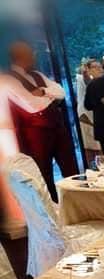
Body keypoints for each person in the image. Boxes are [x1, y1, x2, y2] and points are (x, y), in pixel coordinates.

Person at [5, 40, 78, 202]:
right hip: (35, 134)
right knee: (44, 173)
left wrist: (44, 91)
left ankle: (78, 203)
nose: (34, 57)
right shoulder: (9, 79)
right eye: (31, 54)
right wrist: (51, 97)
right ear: (21, 56)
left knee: (70, 168)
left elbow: (61, 92)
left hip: (57, 127)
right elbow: (31, 105)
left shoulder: (38, 75)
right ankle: (54, 208)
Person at [76, 58, 103, 164]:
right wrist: (85, 72)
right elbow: (89, 83)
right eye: (95, 67)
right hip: (86, 116)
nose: (99, 69)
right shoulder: (84, 78)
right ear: (88, 69)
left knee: (97, 145)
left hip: (95, 116)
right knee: (91, 146)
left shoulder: (99, 79)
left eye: (100, 67)